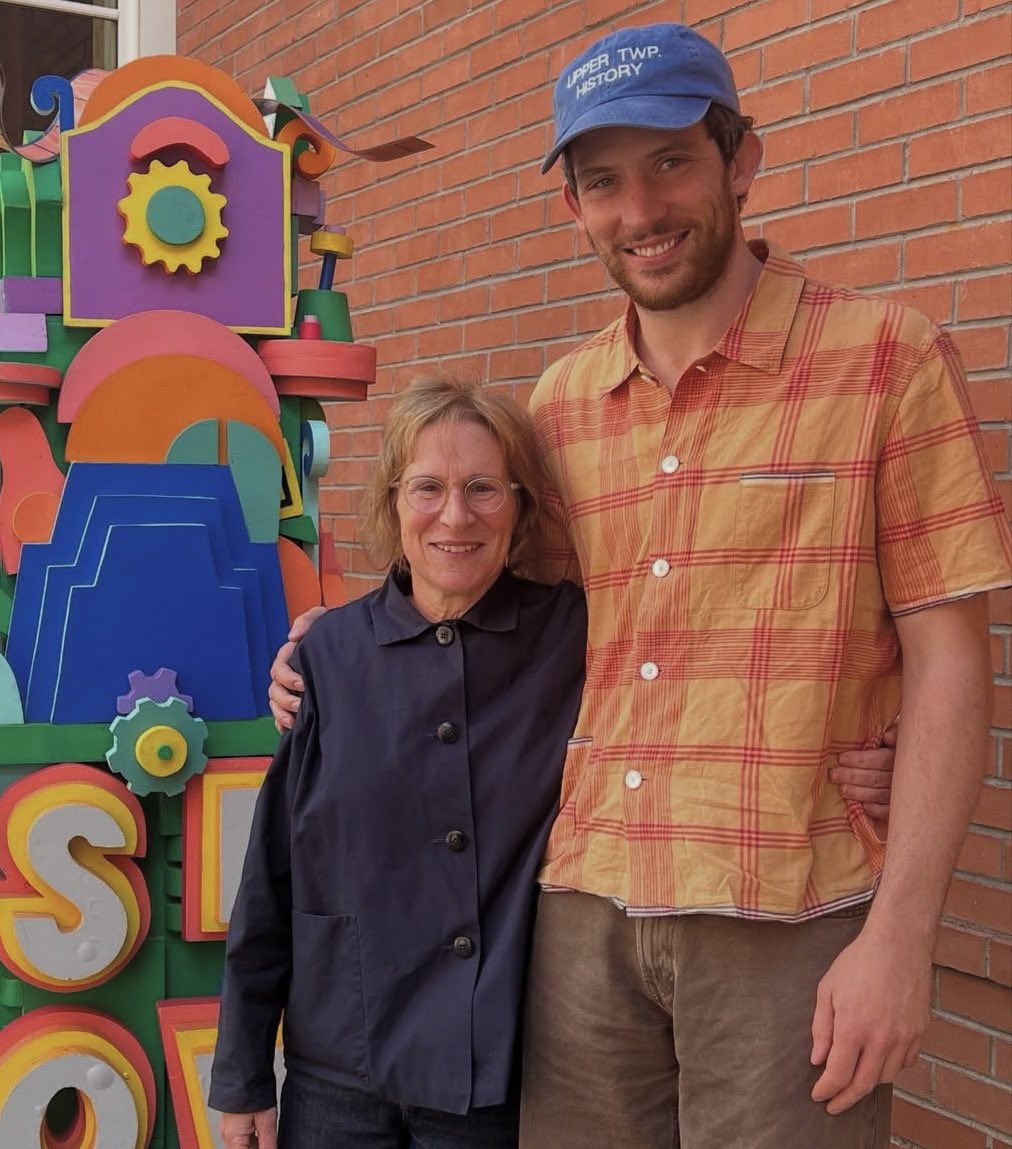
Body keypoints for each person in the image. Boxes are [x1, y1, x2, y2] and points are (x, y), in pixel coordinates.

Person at [266, 21, 1011, 1148]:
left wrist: (903, 937)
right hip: (581, 911)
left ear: (741, 160)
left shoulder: (886, 361)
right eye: (604, 181)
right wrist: (337, 644)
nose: (642, 209)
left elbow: (952, 656)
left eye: (671, 162)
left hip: (784, 906)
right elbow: (484, 611)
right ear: (574, 205)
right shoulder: (561, 405)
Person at [208, 375, 588, 1149]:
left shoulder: (571, 638)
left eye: (483, 487)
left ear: (519, 507)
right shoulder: (327, 654)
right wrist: (242, 1068)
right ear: (392, 503)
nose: (456, 515)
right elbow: (272, 873)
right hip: (340, 1074)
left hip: (492, 1082)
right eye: (428, 487)